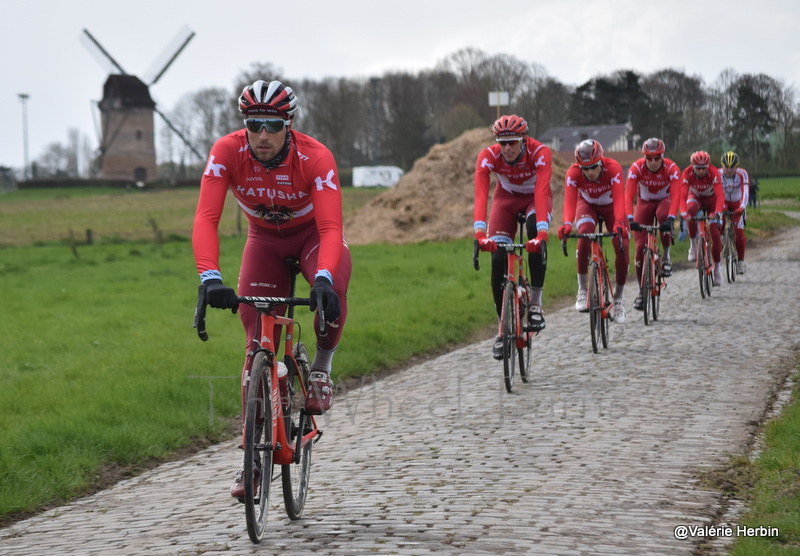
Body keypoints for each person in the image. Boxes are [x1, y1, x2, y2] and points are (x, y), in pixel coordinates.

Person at [192, 79, 352, 498]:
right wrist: (209, 277)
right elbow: (206, 218)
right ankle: (251, 461)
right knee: (256, 345)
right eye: (253, 123)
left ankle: (320, 368)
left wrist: (322, 280)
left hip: (312, 237)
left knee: (330, 295)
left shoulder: (315, 157)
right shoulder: (227, 152)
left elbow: (332, 226)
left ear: (289, 124)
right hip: (263, 241)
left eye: (273, 125)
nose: (262, 134)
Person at [474, 115, 553, 359]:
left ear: (523, 140)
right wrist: (479, 234)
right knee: (497, 258)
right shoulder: (488, 156)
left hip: (534, 200)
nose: (507, 148)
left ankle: (536, 304)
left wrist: (541, 233)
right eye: (502, 142)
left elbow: (541, 191)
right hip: (505, 200)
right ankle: (502, 328)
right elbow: (481, 195)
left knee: (533, 232)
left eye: (513, 142)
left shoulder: (539, 152)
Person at [558, 139, 630, 323]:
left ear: (601, 161)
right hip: (587, 204)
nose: (589, 172)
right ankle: (582, 290)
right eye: (585, 168)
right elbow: (569, 203)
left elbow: (620, 200)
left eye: (593, 167)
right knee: (584, 233)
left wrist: (620, 223)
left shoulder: (612, 168)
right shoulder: (573, 173)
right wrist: (567, 224)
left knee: (621, 244)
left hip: (611, 205)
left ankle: (619, 300)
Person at [625, 138, 682, 311]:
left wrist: (672, 218)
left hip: (665, 201)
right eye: (649, 158)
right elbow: (628, 195)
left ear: (662, 157)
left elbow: (677, 195)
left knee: (663, 216)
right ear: (644, 157)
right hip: (644, 203)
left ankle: (666, 257)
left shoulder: (671, 168)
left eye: (657, 158)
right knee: (640, 248)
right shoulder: (636, 168)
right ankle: (641, 293)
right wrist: (630, 218)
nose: (653, 162)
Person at [679, 151, 724, 285]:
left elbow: (720, 195)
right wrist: (683, 213)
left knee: (715, 234)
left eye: (704, 167)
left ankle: (717, 270)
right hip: (696, 197)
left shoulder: (713, 172)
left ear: (708, 166)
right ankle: (693, 246)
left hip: (711, 200)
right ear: (692, 166)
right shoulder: (687, 173)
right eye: (698, 168)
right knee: (690, 211)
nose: (701, 171)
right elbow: (682, 195)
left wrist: (717, 212)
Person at [718, 151, 749, 274]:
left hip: (738, 203)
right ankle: (721, 237)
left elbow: (745, 191)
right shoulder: (718, 174)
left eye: (732, 167)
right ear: (722, 166)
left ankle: (741, 261)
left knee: (739, 232)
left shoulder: (742, 174)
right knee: (718, 224)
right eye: (726, 167)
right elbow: (716, 192)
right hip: (723, 201)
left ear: (737, 167)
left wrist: (742, 207)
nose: (729, 170)